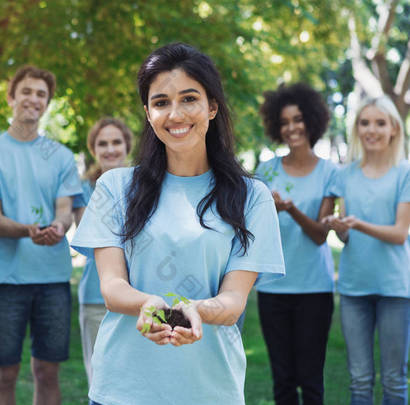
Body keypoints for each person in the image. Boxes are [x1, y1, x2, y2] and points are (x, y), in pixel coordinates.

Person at [71, 43, 285, 405]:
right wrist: (150, 303)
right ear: (148, 113)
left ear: (212, 106)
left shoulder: (253, 197)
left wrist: (196, 311)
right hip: (122, 390)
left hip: (209, 390)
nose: (175, 114)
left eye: (189, 99)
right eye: (160, 102)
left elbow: (233, 301)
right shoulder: (115, 187)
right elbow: (111, 287)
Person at [0, 65, 83, 405]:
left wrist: (59, 226)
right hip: (6, 280)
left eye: (41, 94)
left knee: (47, 371)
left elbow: (65, 209)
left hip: (52, 279)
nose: (33, 100)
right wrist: (28, 230)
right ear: (11, 97)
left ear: (47, 103)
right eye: (26, 92)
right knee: (4, 373)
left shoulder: (60, 156)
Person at [323, 95, 409, 405]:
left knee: (394, 380)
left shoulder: (405, 173)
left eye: (380, 123)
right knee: (359, 381)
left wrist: (358, 225)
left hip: (395, 289)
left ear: (394, 130)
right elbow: (347, 235)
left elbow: (400, 234)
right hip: (354, 288)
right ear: (357, 129)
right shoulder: (344, 175)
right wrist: (342, 229)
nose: (371, 130)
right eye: (365, 123)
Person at [255, 83, 337, 405]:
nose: (292, 128)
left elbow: (319, 235)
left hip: (314, 290)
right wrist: (268, 212)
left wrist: (291, 209)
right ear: (277, 126)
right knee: (283, 381)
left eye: (298, 119)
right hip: (273, 289)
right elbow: (252, 232)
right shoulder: (265, 172)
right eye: (285, 121)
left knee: (311, 380)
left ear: (312, 121)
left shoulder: (330, 172)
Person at [72, 117, 133, 385]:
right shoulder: (84, 188)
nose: (110, 149)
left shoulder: (145, 185)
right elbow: (93, 238)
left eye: (116, 142)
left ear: (127, 146)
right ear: (93, 149)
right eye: (102, 144)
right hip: (97, 297)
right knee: (101, 380)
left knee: (136, 382)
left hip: (141, 294)